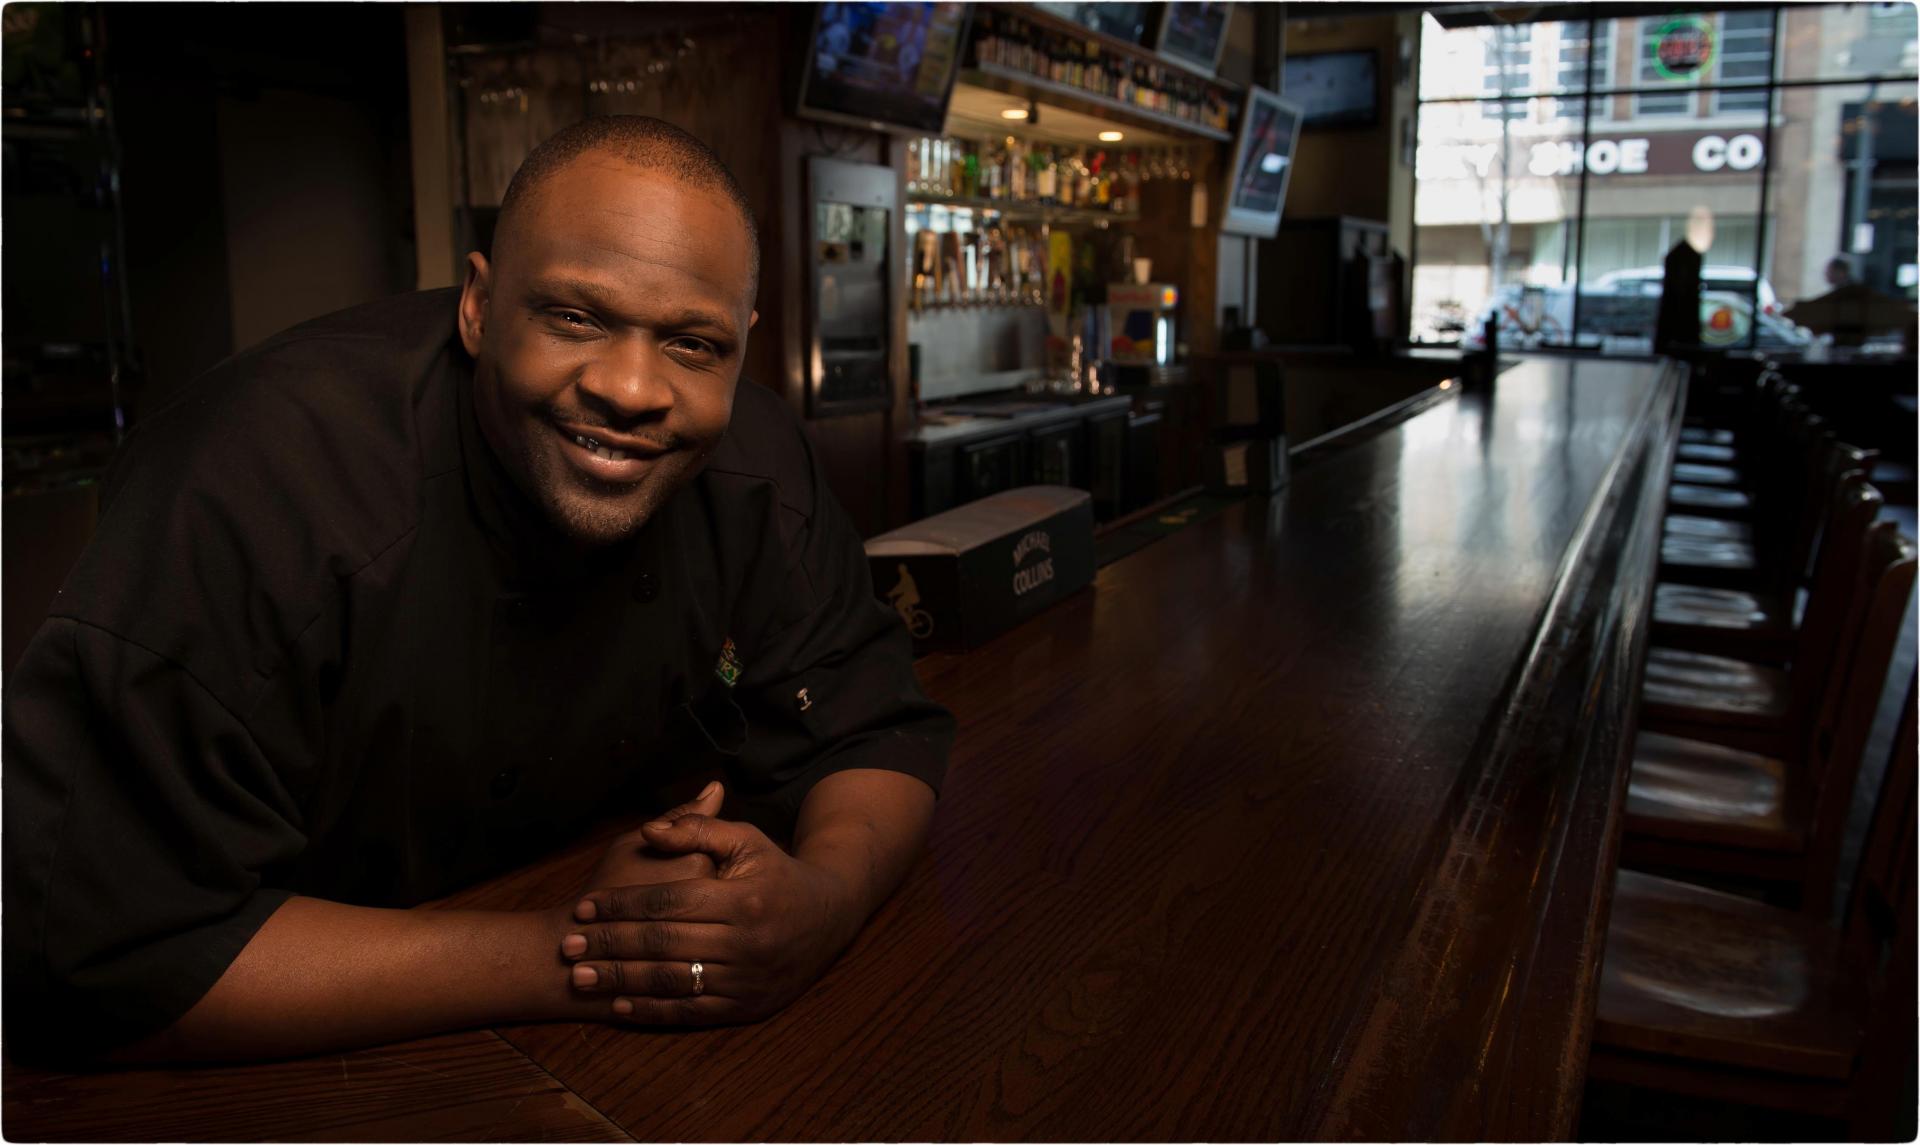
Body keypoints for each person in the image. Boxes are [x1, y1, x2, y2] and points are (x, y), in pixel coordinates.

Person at [3, 115, 954, 1064]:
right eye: (575, 317)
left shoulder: (756, 461)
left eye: (693, 344)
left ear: (742, 346)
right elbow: (92, 953)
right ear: (477, 305)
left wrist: (821, 903)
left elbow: (873, 725)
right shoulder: (254, 491)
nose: (632, 388)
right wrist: (577, 948)